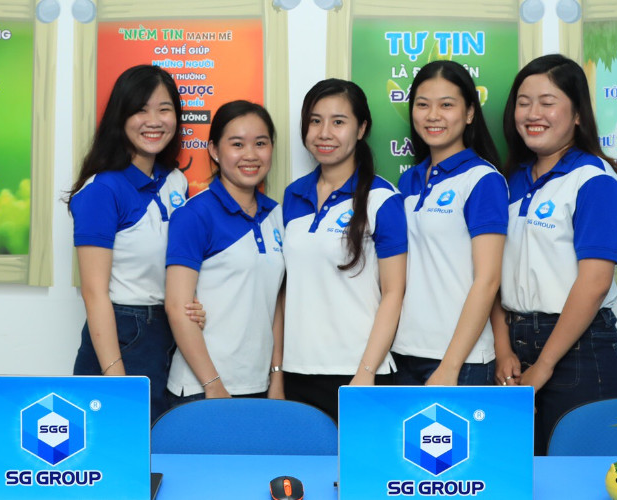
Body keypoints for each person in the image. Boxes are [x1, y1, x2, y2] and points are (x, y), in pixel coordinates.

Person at [493, 54, 617, 454]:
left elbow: (594, 283)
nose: (532, 113)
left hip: (580, 353)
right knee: (522, 473)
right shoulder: (509, 180)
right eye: (523, 102)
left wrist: (544, 365)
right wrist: (503, 349)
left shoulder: (594, 179)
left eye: (547, 102)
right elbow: (490, 273)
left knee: (583, 476)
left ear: (577, 114)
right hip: (515, 346)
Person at [67, 64, 192, 421]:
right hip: (123, 334)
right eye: (140, 110)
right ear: (120, 117)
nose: (154, 121)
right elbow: (94, 293)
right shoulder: (102, 189)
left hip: (168, 332)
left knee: (160, 440)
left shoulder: (175, 181)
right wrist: (116, 379)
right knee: (120, 439)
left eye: (164, 109)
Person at [278, 79, 407, 419]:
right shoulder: (293, 196)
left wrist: (366, 372)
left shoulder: (383, 199)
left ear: (361, 129)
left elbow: (394, 292)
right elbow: (285, 289)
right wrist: (278, 370)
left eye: (338, 122)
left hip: (358, 373)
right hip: (297, 370)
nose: (324, 133)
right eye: (315, 121)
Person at [391, 60, 510, 386]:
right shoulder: (408, 181)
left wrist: (450, 365)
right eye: (422, 105)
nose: (433, 115)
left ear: (469, 113)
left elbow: (488, 280)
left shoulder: (482, 180)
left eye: (446, 105)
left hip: (461, 361)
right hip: (404, 352)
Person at [164, 100, 286, 405]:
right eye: (237, 144)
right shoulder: (194, 214)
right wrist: (213, 385)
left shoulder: (276, 215)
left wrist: (276, 376)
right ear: (215, 151)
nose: (250, 155)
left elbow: (274, 303)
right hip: (202, 388)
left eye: (260, 143)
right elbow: (178, 307)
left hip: (258, 384)